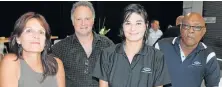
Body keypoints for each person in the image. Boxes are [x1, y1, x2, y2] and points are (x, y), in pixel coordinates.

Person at [93, 4, 171, 87]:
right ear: (122, 26)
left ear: (146, 26)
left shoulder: (157, 57)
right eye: (128, 23)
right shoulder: (107, 54)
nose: (133, 28)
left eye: (138, 23)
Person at [51, 1, 114, 87]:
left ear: (93, 20)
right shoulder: (59, 48)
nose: (83, 23)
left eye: (87, 19)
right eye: (79, 19)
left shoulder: (107, 44)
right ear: (73, 22)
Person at [155, 12, 220, 87]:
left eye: (197, 27)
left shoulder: (208, 55)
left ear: (203, 31)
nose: (191, 31)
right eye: (186, 26)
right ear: (180, 28)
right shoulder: (161, 46)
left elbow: (214, 84)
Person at [0, 12, 65, 87]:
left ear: (45, 41)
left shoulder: (56, 64)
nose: (36, 36)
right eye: (29, 31)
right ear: (18, 39)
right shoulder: (11, 62)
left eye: (41, 32)